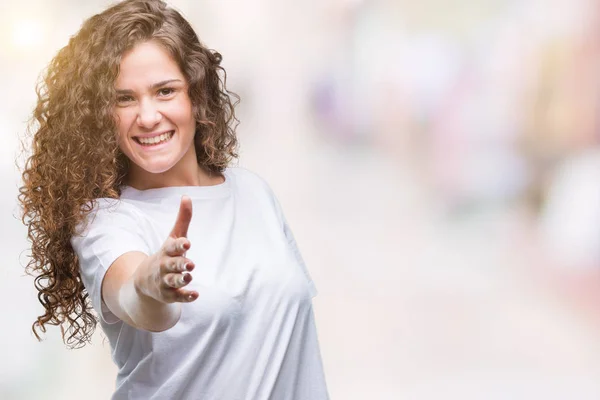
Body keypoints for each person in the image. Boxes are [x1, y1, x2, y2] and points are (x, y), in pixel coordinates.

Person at [18, 1, 329, 398]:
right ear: (99, 115)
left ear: (195, 95)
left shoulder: (254, 193)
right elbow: (134, 298)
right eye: (124, 99)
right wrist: (153, 283)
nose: (147, 116)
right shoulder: (107, 220)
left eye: (165, 91)